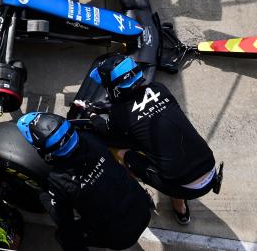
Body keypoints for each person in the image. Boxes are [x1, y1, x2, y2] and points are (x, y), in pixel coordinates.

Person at [78, 55, 221, 225]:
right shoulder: (159, 88)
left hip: (183, 184)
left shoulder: (120, 114)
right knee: (172, 156)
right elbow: (139, 106)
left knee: (123, 153)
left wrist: (92, 114)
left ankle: (134, 193)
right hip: (210, 168)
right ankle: (180, 210)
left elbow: (108, 133)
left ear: (115, 89)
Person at [17, 111, 151, 251]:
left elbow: (62, 219)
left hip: (122, 237)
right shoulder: (92, 139)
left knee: (65, 236)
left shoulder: (59, 180)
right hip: (142, 206)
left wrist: (43, 194)